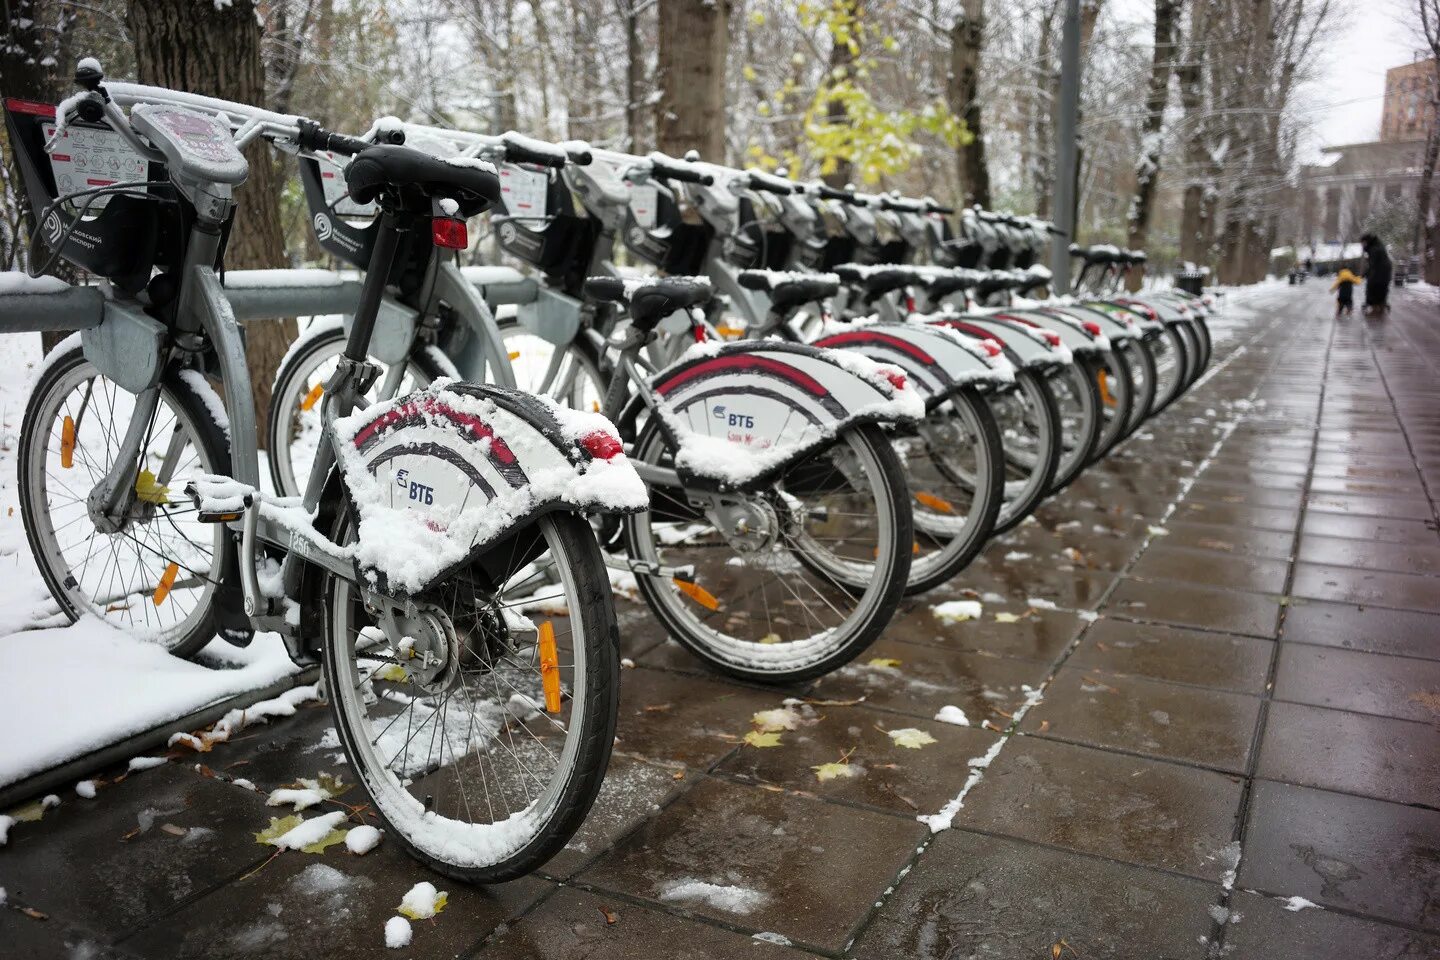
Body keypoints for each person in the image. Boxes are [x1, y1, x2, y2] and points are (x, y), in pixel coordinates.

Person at [1359, 233, 1392, 317]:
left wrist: (1364, 274)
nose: (1362, 245)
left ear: (1366, 242)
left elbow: (1372, 265)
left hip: (1380, 272)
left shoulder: (1374, 249)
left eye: (1362, 243)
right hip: (1385, 272)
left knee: (1373, 286)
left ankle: (1376, 306)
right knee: (1380, 288)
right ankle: (1381, 304)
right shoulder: (1376, 246)